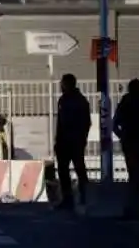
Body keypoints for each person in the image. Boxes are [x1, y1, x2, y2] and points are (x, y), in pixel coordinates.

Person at [54, 73, 91, 210]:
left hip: (69, 141)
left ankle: (70, 198)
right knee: (78, 169)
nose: (61, 86)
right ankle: (83, 197)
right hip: (74, 141)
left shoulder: (67, 100)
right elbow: (87, 123)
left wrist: (60, 140)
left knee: (68, 170)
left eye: (63, 83)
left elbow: (63, 124)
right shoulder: (80, 100)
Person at [113, 78, 139, 217]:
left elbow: (115, 122)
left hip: (130, 141)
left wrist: (122, 135)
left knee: (133, 174)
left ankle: (134, 204)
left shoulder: (126, 101)